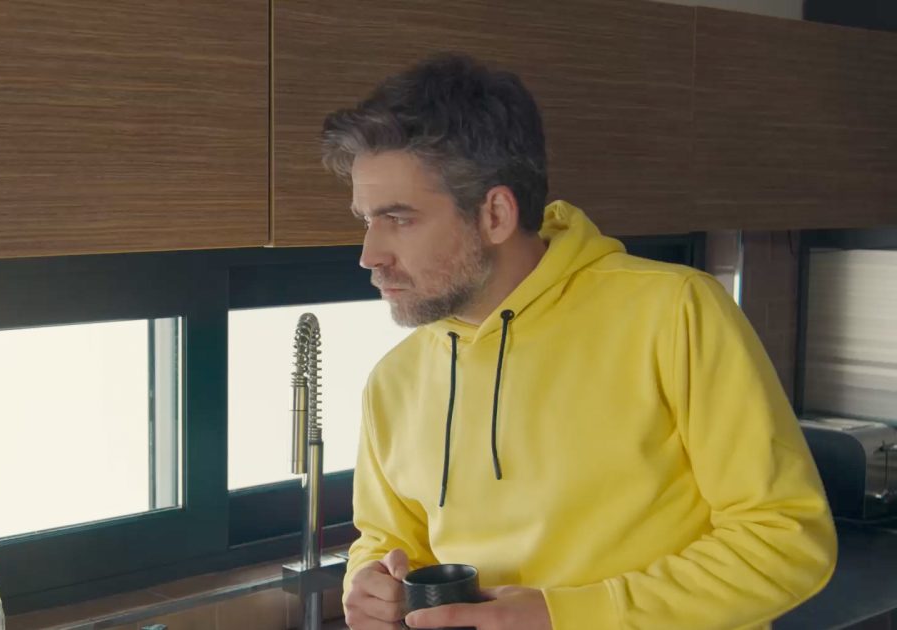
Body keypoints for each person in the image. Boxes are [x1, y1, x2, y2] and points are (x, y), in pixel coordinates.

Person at [320, 53, 836, 630]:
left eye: (399, 219)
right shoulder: (394, 379)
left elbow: (786, 539)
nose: (369, 255)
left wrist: (566, 615)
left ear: (495, 214)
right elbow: (387, 539)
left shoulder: (673, 312)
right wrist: (369, 583)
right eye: (366, 220)